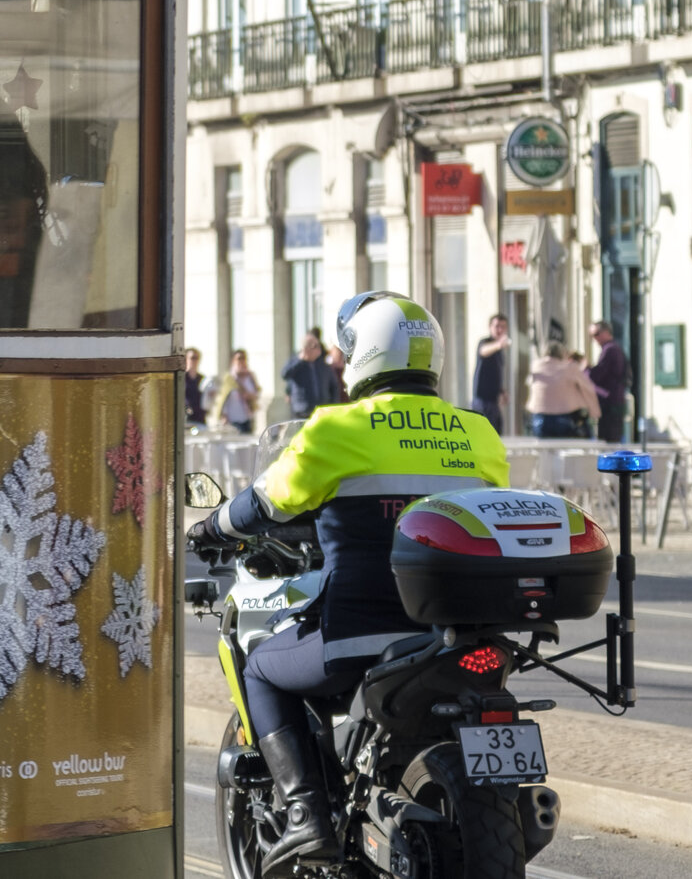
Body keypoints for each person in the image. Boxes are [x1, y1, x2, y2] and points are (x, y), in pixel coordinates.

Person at [189, 293, 509, 869]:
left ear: (365, 357)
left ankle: (305, 814)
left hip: (360, 638)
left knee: (261, 667)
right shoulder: (477, 433)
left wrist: (209, 525)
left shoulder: (336, 429)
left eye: (347, 354)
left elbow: (264, 503)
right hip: (457, 636)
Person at [526, 342, 600, 439]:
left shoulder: (536, 366)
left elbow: (529, 384)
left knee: (544, 451)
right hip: (564, 415)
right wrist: (594, 412)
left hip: (540, 416)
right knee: (565, 450)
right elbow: (588, 389)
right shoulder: (570, 368)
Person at [282, 330, 343, 422]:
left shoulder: (322, 364)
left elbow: (334, 386)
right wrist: (301, 359)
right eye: (315, 346)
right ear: (306, 348)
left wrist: (333, 406)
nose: (319, 349)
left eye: (318, 345)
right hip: (302, 413)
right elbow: (285, 374)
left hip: (321, 413)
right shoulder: (296, 362)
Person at [589, 321, 632, 444]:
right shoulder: (613, 349)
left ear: (606, 332)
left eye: (597, 334)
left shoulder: (611, 350)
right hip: (613, 401)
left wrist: (586, 370)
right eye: (592, 335)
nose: (594, 339)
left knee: (609, 442)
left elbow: (599, 374)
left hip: (611, 403)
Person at [470, 313, 512, 432]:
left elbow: (494, 374)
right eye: (496, 326)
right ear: (490, 327)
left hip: (494, 402)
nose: (499, 330)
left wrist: (501, 391)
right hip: (482, 401)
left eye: (502, 327)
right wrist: (499, 345)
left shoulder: (499, 352)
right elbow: (483, 351)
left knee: (497, 434)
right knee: (484, 435)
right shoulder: (485, 342)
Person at [210, 348, 261, 434]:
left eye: (243, 358)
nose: (241, 361)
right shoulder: (229, 378)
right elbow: (223, 397)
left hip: (247, 417)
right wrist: (223, 415)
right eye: (239, 358)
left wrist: (249, 395)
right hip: (232, 419)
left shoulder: (250, 377)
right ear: (233, 360)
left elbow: (256, 393)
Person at [183, 348, 208, 427]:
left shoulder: (203, 379)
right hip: (186, 418)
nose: (194, 361)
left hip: (200, 417)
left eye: (197, 358)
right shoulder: (182, 378)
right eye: (192, 358)